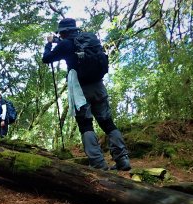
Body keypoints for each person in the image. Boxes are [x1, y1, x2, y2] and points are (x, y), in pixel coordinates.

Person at [42, 18, 130, 171]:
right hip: (98, 86)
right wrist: (57, 40)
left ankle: (98, 164)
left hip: (80, 91)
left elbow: (46, 58)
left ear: (63, 32)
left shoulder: (65, 44)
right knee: (108, 123)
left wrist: (49, 43)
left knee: (85, 125)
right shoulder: (88, 39)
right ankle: (123, 160)